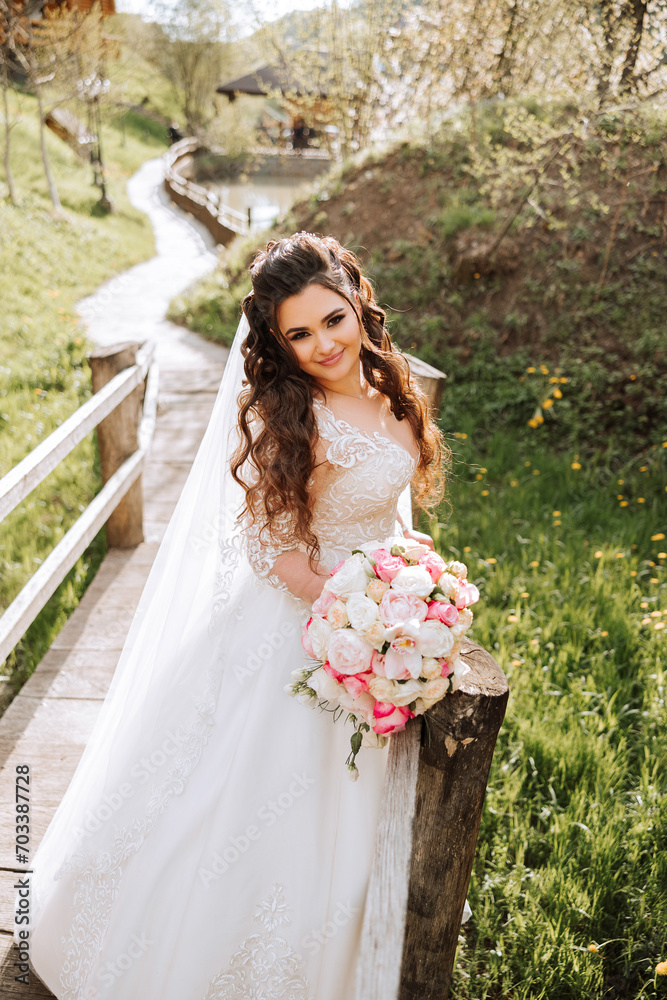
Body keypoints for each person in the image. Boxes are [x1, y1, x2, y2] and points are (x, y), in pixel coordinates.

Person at [23, 232, 445, 1000]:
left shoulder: (391, 391)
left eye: (333, 319)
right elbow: (268, 548)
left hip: (378, 622)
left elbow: (390, 512)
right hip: (308, 626)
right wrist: (359, 609)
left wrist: (412, 585)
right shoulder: (285, 415)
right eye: (299, 333)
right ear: (276, 341)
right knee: (237, 809)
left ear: (358, 303)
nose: (323, 344)